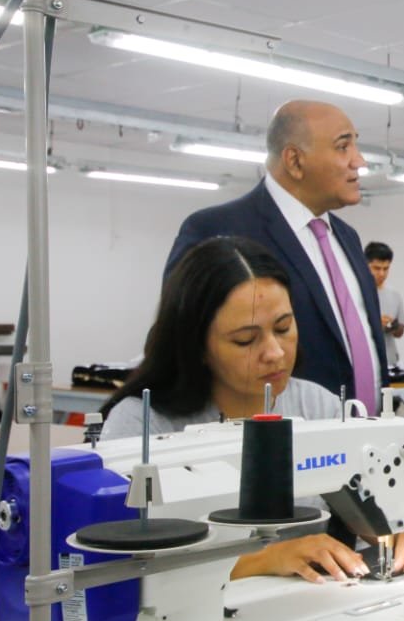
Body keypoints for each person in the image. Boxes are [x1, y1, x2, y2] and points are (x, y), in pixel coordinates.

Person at [103, 236, 404, 581]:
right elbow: (118, 563)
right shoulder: (140, 424)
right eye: (245, 339)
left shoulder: (318, 406)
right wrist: (266, 558)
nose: (275, 353)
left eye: (284, 328)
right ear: (196, 345)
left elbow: (377, 506)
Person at [164, 99, 388, 415]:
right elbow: (180, 345)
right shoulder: (218, 230)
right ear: (294, 161)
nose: (359, 160)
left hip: (369, 435)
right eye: (343, 147)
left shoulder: (346, 237)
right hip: (278, 434)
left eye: (356, 145)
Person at [365, 240, 404, 366]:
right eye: (376, 268)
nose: (382, 273)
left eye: (386, 269)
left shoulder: (394, 294)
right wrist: (375, 323)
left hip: (390, 360)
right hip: (366, 360)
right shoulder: (356, 293)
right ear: (365, 265)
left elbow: (400, 332)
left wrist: (392, 325)